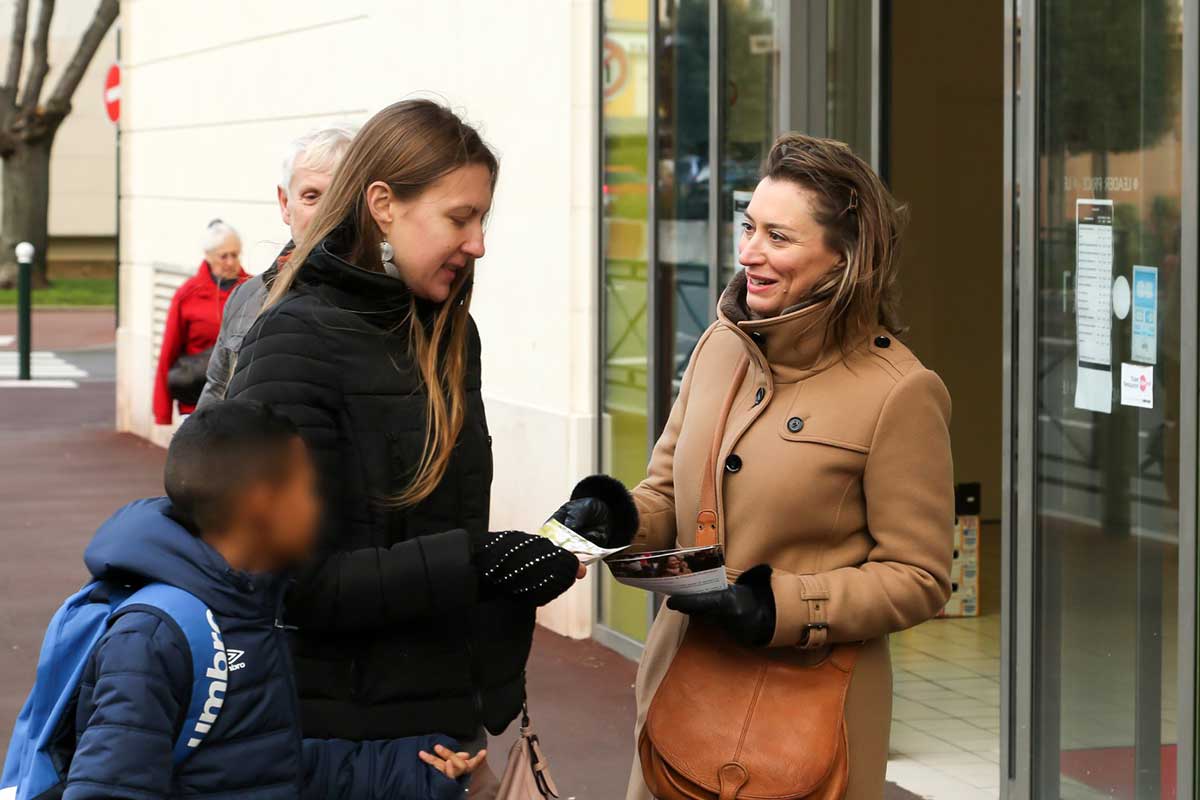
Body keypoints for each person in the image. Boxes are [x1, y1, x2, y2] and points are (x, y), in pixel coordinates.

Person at [226, 100, 636, 796]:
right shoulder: (292, 341)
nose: (478, 243)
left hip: (443, 737)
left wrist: (528, 564)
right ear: (383, 205)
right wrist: (478, 561)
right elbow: (297, 586)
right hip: (334, 750)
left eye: (482, 219)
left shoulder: (449, 335)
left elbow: (434, 541)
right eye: (460, 217)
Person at [619, 133, 954, 799]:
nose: (749, 254)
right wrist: (609, 518)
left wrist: (784, 606)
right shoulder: (719, 347)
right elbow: (664, 496)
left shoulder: (900, 391)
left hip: (807, 723)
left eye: (778, 236)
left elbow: (919, 576)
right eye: (749, 228)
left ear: (841, 259)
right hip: (678, 697)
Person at [63, 400, 483, 799]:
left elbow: (267, 767)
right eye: (308, 490)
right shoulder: (152, 639)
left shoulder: (249, 608)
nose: (319, 507)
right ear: (264, 504)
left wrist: (413, 769)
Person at [198, 125, 356, 407]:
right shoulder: (246, 298)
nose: (326, 214)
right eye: (311, 196)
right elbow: (213, 403)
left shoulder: (398, 300)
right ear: (285, 203)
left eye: (342, 197)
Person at [153, 220, 249, 425]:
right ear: (208, 256)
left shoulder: (253, 289)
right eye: (224, 256)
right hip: (196, 401)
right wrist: (162, 411)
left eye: (235, 254)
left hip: (239, 399)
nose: (231, 262)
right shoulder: (188, 294)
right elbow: (168, 352)